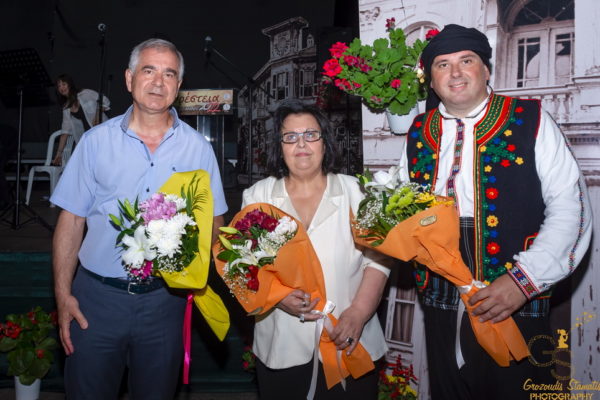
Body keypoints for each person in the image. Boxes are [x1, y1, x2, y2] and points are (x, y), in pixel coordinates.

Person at [399, 24, 592, 399]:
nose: (455, 73)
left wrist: (523, 281)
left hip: (513, 294)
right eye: (442, 65)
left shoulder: (530, 118)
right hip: (440, 296)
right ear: (432, 81)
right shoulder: (419, 131)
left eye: (466, 60)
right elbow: (401, 208)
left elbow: (572, 207)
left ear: (486, 70)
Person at [50, 38, 227, 399]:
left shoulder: (197, 148)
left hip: (165, 303)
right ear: (130, 79)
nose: (158, 82)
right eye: (149, 70)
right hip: (96, 301)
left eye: (169, 74)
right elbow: (71, 222)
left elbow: (214, 225)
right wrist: (62, 295)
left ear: (179, 86)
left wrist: (205, 272)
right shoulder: (95, 143)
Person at [242, 99, 391, 399]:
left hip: (349, 339)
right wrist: (277, 297)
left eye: (311, 134)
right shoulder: (258, 196)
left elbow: (378, 260)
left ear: (325, 142)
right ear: (279, 146)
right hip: (281, 345)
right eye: (290, 136)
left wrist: (359, 312)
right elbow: (244, 265)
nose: (301, 144)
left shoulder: (357, 192)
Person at [53, 74, 110, 165]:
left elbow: (105, 101)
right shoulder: (66, 108)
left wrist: (97, 115)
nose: (61, 88)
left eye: (64, 84)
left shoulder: (85, 93)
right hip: (87, 140)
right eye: (59, 86)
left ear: (70, 84)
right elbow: (65, 132)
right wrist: (58, 154)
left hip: (102, 133)